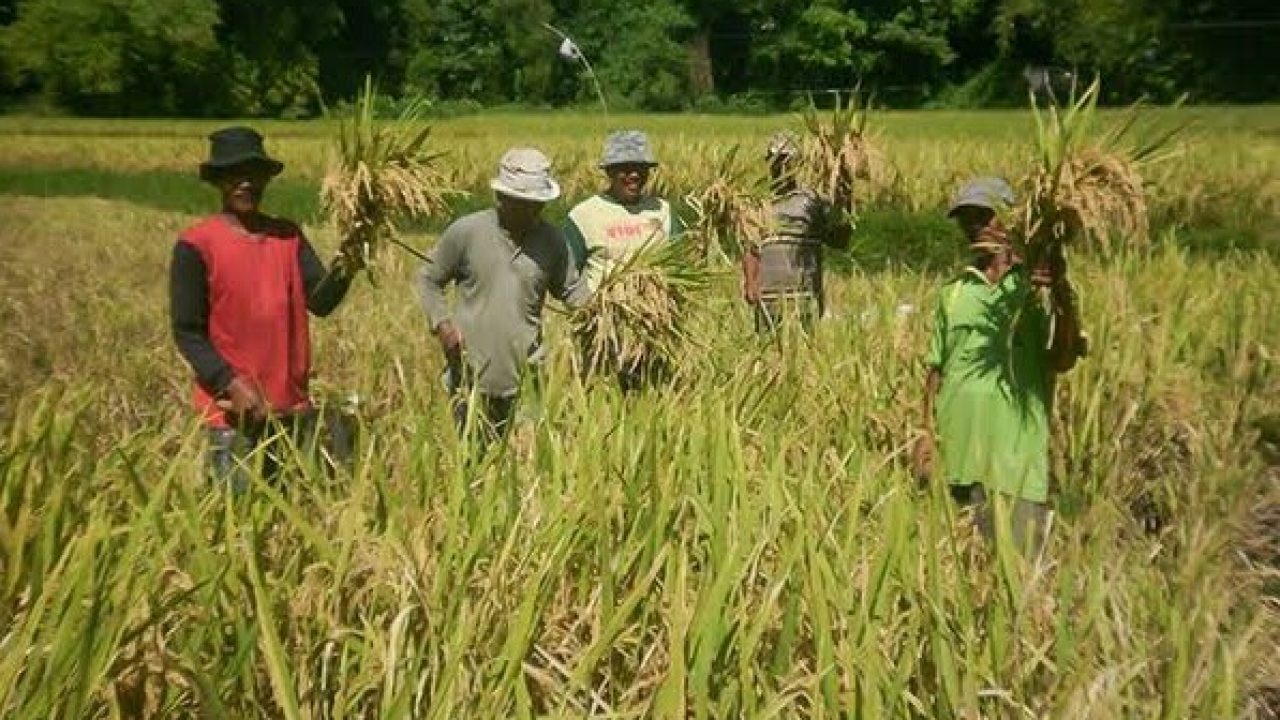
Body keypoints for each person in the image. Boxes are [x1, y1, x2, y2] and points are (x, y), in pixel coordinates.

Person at [169, 126, 356, 489]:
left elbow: (321, 302)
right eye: (233, 175)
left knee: (292, 514)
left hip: (291, 409)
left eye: (253, 174)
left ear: (265, 178)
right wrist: (230, 383)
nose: (245, 183)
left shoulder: (287, 235)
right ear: (219, 181)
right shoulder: (196, 245)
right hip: (234, 415)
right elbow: (187, 332)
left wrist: (348, 259)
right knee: (237, 522)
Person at [913, 176, 1086, 555]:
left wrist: (1061, 294)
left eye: (984, 215)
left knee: (1017, 582)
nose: (974, 226)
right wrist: (925, 434)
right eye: (967, 219)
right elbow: (935, 372)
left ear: (1012, 220)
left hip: (1015, 466)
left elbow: (1062, 358)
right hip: (955, 460)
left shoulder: (1036, 287)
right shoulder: (954, 291)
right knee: (954, 581)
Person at [419, 147, 590, 444]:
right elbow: (429, 279)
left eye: (537, 204)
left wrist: (607, 309)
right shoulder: (467, 232)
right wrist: (442, 325)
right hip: (469, 379)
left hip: (527, 383)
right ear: (502, 198)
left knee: (524, 469)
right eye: (523, 203)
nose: (531, 211)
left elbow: (572, 291)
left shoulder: (552, 241)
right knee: (469, 464)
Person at [741, 131, 853, 332]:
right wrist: (750, 283)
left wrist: (844, 201)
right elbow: (751, 249)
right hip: (768, 302)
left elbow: (839, 241)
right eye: (776, 160)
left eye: (786, 161)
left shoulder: (811, 202)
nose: (781, 166)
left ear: (797, 164)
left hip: (804, 300)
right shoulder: (759, 203)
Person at [563, 130, 682, 292]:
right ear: (609, 171)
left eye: (641, 168)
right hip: (603, 312)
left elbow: (679, 264)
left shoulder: (663, 211)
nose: (634, 175)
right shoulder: (583, 215)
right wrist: (588, 306)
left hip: (656, 312)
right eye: (625, 168)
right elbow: (567, 277)